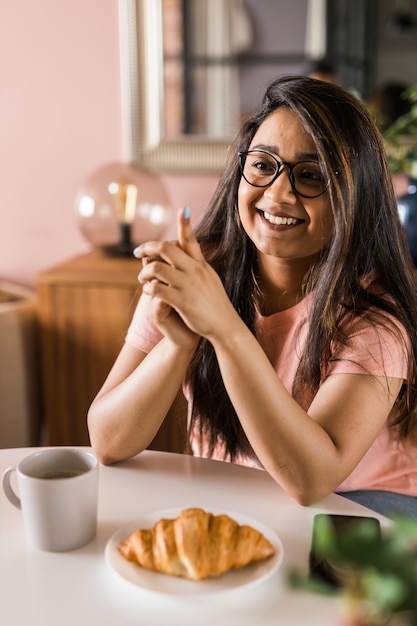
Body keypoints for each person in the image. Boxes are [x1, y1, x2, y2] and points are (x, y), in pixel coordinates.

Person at [88, 75, 417, 520]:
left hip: (365, 505)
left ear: (354, 195)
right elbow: (107, 442)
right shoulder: (196, 272)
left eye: (311, 175)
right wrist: (181, 343)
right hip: (246, 498)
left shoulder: (376, 316)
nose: (278, 194)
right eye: (263, 165)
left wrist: (223, 328)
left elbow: (312, 480)